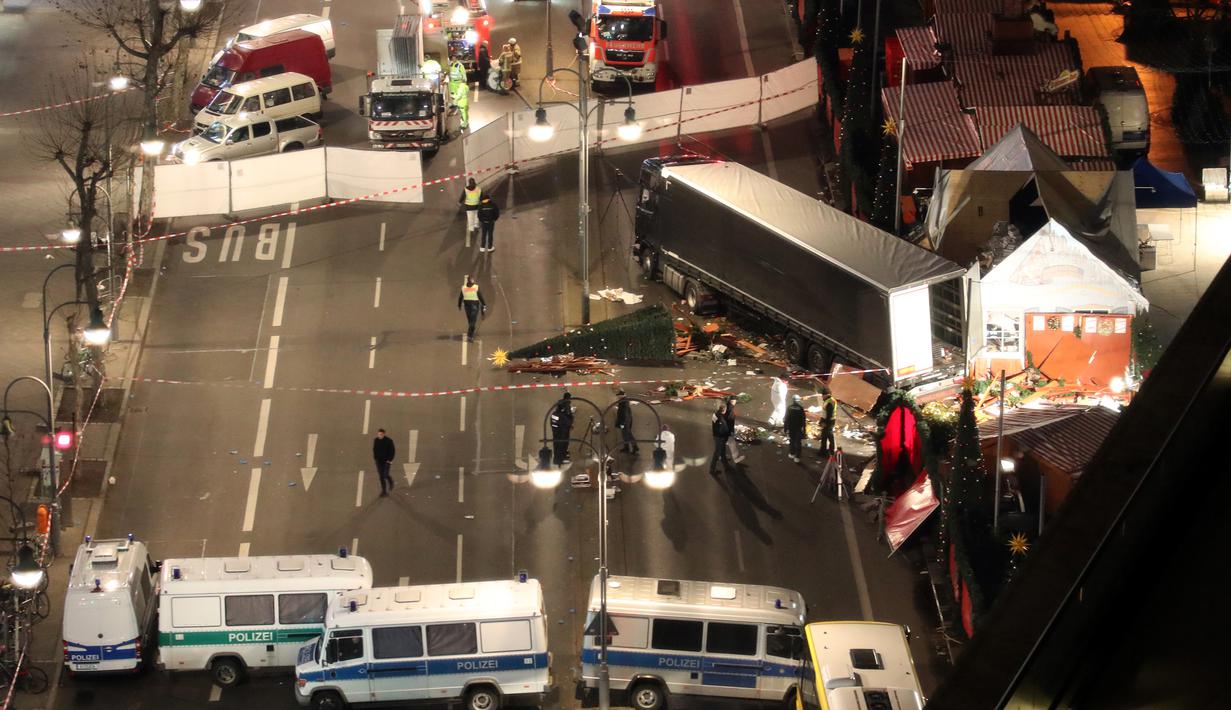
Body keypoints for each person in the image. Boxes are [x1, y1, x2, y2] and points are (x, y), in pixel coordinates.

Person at [457, 275, 487, 340]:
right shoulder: (464, 288)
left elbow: (480, 297)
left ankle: (470, 335)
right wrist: (459, 305)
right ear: (468, 281)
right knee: (470, 321)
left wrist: (484, 306)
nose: (472, 282)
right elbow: (460, 297)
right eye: (471, 280)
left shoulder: (475, 287)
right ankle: (471, 332)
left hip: (474, 306)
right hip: (468, 307)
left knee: (472, 322)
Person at [550, 393, 574, 466]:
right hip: (562, 429)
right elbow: (567, 417)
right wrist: (569, 422)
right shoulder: (565, 405)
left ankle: (559, 459)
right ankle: (559, 459)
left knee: (559, 444)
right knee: (562, 444)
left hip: (559, 428)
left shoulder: (562, 404)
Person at [709, 404, 731, 477]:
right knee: (717, 452)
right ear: (723, 410)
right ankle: (712, 469)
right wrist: (727, 434)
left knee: (722, 450)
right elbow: (724, 428)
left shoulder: (715, 414)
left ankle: (726, 465)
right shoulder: (720, 418)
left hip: (716, 436)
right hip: (720, 437)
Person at [373, 428, 396, 496]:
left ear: (384, 434)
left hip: (386, 462)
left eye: (381, 434)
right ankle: (384, 491)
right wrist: (375, 458)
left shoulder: (389, 441)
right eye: (378, 434)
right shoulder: (376, 440)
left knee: (385, 475)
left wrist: (390, 460)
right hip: (379, 462)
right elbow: (374, 449)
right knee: (381, 477)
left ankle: (390, 481)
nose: (379, 436)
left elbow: (392, 451)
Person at [784, 394, 806, 463]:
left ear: (793, 400)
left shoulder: (789, 408)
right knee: (798, 442)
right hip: (798, 428)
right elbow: (803, 420)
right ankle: (797, 457)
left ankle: (792, 453)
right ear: (798, 400)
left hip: (791, 427)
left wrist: (785, 428)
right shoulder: (801, 408)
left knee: (792, 440)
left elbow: (786, 419)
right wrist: (804, 430)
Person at [614, 389, 637, 454]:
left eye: (618, 395)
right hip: (625, 420)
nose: (617, 397)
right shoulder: (623, 401)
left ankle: (634, 446)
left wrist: (622, 423)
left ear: (621, 395)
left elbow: (624, 413)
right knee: (624, 434)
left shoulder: (624, 401)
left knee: (628, 434)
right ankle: (626, 447)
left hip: (624, 421)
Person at [725, 397, 745, 463]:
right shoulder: (730, 412)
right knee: (732, 445)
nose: (735, 402)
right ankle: (736, 458)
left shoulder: (725, 410)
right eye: (734, 401)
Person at [819, 387, 837, 458]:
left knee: (827, 436)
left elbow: (829, 414)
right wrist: (821, 420)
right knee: (826, 436)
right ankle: (825, 451)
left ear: (826, 395)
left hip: (829, 422)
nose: (822, 397)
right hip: (829, 421)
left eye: (823, 395)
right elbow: (825, 412)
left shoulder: (830, 402)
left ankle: (828, 452)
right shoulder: (829, 400)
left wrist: (825, 423)